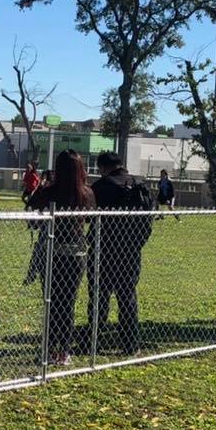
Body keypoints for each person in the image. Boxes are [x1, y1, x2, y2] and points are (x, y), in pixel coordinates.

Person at [28, 150, 96, 366]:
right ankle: (64, 351)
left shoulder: (49, 192)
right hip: (76, 255)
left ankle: (48, 349)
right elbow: (88, 220)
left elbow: (31, 218)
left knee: (51, 302)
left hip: (51, 252)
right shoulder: (87, 194)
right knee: (68, 303)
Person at [89, 151, 153, 355]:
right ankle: (130, 344)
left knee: (99, 297)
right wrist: (136, 243)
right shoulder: (140, 185)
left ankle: (93, 341)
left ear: (103, 167)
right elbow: (147, 222)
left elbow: (90, 217)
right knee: (127, 297)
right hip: (131, 250)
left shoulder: (101, 186)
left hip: (104, 249)